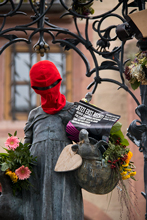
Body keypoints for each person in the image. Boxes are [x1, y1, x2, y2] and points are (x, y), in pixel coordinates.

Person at [22, 60, 83, 220]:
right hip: (37, 169)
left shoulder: (72, 110)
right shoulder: (34, 114)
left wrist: (75, 130)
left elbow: (83, 142)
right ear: (36, 90)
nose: (48, 91)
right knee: (37, 208)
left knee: (65, 206)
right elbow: (26, 145)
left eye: (51, 85)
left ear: (58, 81)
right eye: (42, 88)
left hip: (64, 167)